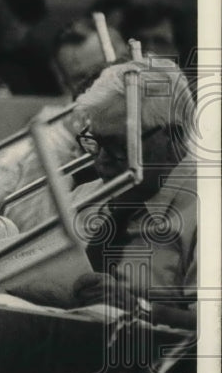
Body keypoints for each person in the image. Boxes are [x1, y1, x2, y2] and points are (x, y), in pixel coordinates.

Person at [0, 17, 128, 228]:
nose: (96, 85)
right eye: (80, 79)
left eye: (101, 70)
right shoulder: (55, 131)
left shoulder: (157, 114)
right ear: (65, 84)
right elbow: (1, 180)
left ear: (126, 62)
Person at [71, 58, 197, 323]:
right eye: (95, 142)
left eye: (119, 145)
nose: (101, 161)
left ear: (173, 139)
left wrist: (140, 310)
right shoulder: (86, 197)